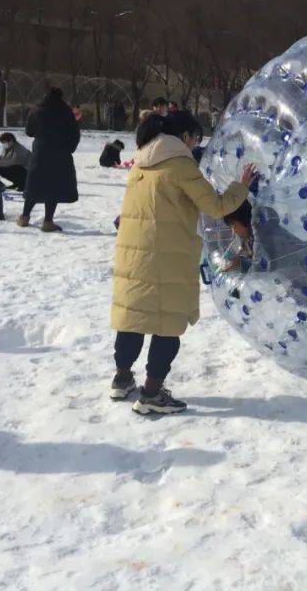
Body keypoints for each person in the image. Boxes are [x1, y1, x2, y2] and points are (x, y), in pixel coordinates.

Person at [111, 111, 253, 414]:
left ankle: (122, 379)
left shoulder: (141, 162)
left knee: (133, 318)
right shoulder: (180, 165)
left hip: (133, 255)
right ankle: (151, 394)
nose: (194, 145)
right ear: (185, 136)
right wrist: (241, 186)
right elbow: (216, 206)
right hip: (167, 257)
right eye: (195, 138)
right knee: (168, 324)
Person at [19, 87, 80, 233]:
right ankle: (48, 221)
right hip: (60, 153)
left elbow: (29, 131)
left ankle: (24, 217)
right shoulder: (66, 112)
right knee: (54, 187)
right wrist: (69, 148)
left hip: (41, 151)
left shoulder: (37, 110)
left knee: (35, 184)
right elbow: (75, 133)